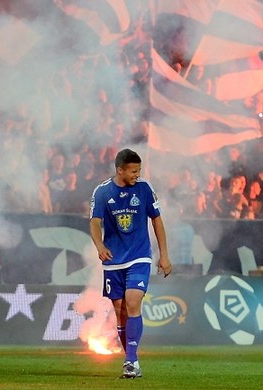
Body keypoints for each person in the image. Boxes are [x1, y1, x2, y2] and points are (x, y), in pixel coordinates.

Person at [89, 148, 170, 379]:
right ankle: (131, 360)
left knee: (133, 301)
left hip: (139, 256)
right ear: (120, 170)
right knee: (120, 310)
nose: (137, 174)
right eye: (133, 170)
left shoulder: (144, 188)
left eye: (139, 170)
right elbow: (95, 222)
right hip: (114, 260)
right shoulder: (102, 191)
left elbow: (157, 222)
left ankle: (131, 361)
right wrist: (99, 246)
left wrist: (163, 255)